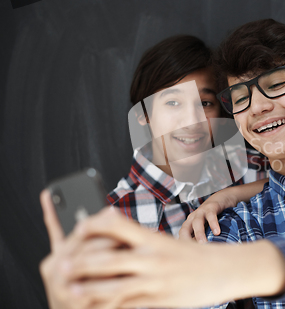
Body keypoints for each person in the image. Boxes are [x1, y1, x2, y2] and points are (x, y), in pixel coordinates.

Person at [40, 20, 285, 308]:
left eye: (274, 84)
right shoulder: (240, 220)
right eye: (241, 97)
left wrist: (230, 268)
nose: (259, 107)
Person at [39, 34, 268, 309]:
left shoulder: (248, 168)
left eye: (205, 103)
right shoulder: (115, 218)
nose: (192, 120)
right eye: (172, 103)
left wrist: (233, 195)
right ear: (144, 117)